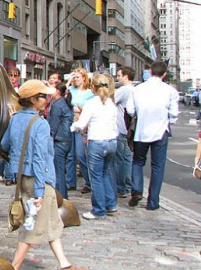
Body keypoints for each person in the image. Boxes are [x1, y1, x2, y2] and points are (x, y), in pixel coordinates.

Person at [1, 79, 86, 270]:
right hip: (38, 180)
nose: (47, 100)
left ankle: (65, 265)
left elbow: (4, 144)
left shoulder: (14, 119)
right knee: (32, 225)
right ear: (33, 99)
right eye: (43, 96)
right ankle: (13, 268)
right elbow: (40, 159)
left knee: (51, 222)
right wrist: (39, 191)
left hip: (22, 177)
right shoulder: (40, 124)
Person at [126, 61, 179, 210]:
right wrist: (169, 120)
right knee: (158, 166)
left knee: (138, 162)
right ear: (164, 74)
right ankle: (153, 201)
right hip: (161, 131)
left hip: (142, 131)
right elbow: (174, 114)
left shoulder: (138, 89)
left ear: (150, 72)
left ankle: (136, 189)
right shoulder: (170, 91)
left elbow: (130, 110)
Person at [71, 73, 118, 220]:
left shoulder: (92, 103)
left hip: (97, 142)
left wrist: (73, 127)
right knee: (105, 173)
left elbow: (81, 124)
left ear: (93, 87)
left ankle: (98, 209)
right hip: (111, 142)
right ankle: (111, 204)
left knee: (96, 177)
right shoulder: (111, 103)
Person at [66, 68, 94, 193]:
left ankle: (89, 182)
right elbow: (64, 98)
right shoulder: (70, 90)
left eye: (78, 77)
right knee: (70, 155)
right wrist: (68, 81)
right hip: (69, 123)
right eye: (74, 77)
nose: (76, 79)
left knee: (81, 154)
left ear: (84, 78)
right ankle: (70, 182)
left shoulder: (89, 93)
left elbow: (89, 109)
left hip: (81, 126)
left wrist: (79, 109)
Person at [47, 82, 73, 199]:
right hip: (65, 140)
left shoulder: (57, 105)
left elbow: (53, 126)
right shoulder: (63, 103)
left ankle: (60, 198)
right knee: (60, 170)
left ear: (57, 91)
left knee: (58, 171)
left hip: (59, 141)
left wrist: (48, 142)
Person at [114, 66, 135, 198]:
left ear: (126, 76)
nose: (118, 77)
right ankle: (128, 186)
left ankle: (121, 187)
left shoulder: (124, 90)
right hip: (129, 129)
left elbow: (109, 101)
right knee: (128, 158)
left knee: (119, 159)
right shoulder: (135, 90)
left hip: (121, 128)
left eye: (119, 75)